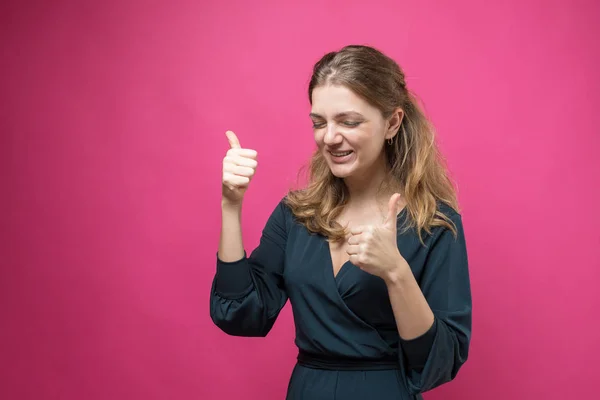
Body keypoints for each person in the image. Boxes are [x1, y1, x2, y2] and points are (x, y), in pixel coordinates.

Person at [210, 44, 472, 399]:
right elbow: (240, 315)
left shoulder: (435, 224)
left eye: (348, 122)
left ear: (392, 122)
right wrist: (231, 205)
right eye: (319, 123)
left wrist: (396, 272)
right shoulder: (296, 215)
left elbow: (438, 362)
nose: (329, 138)